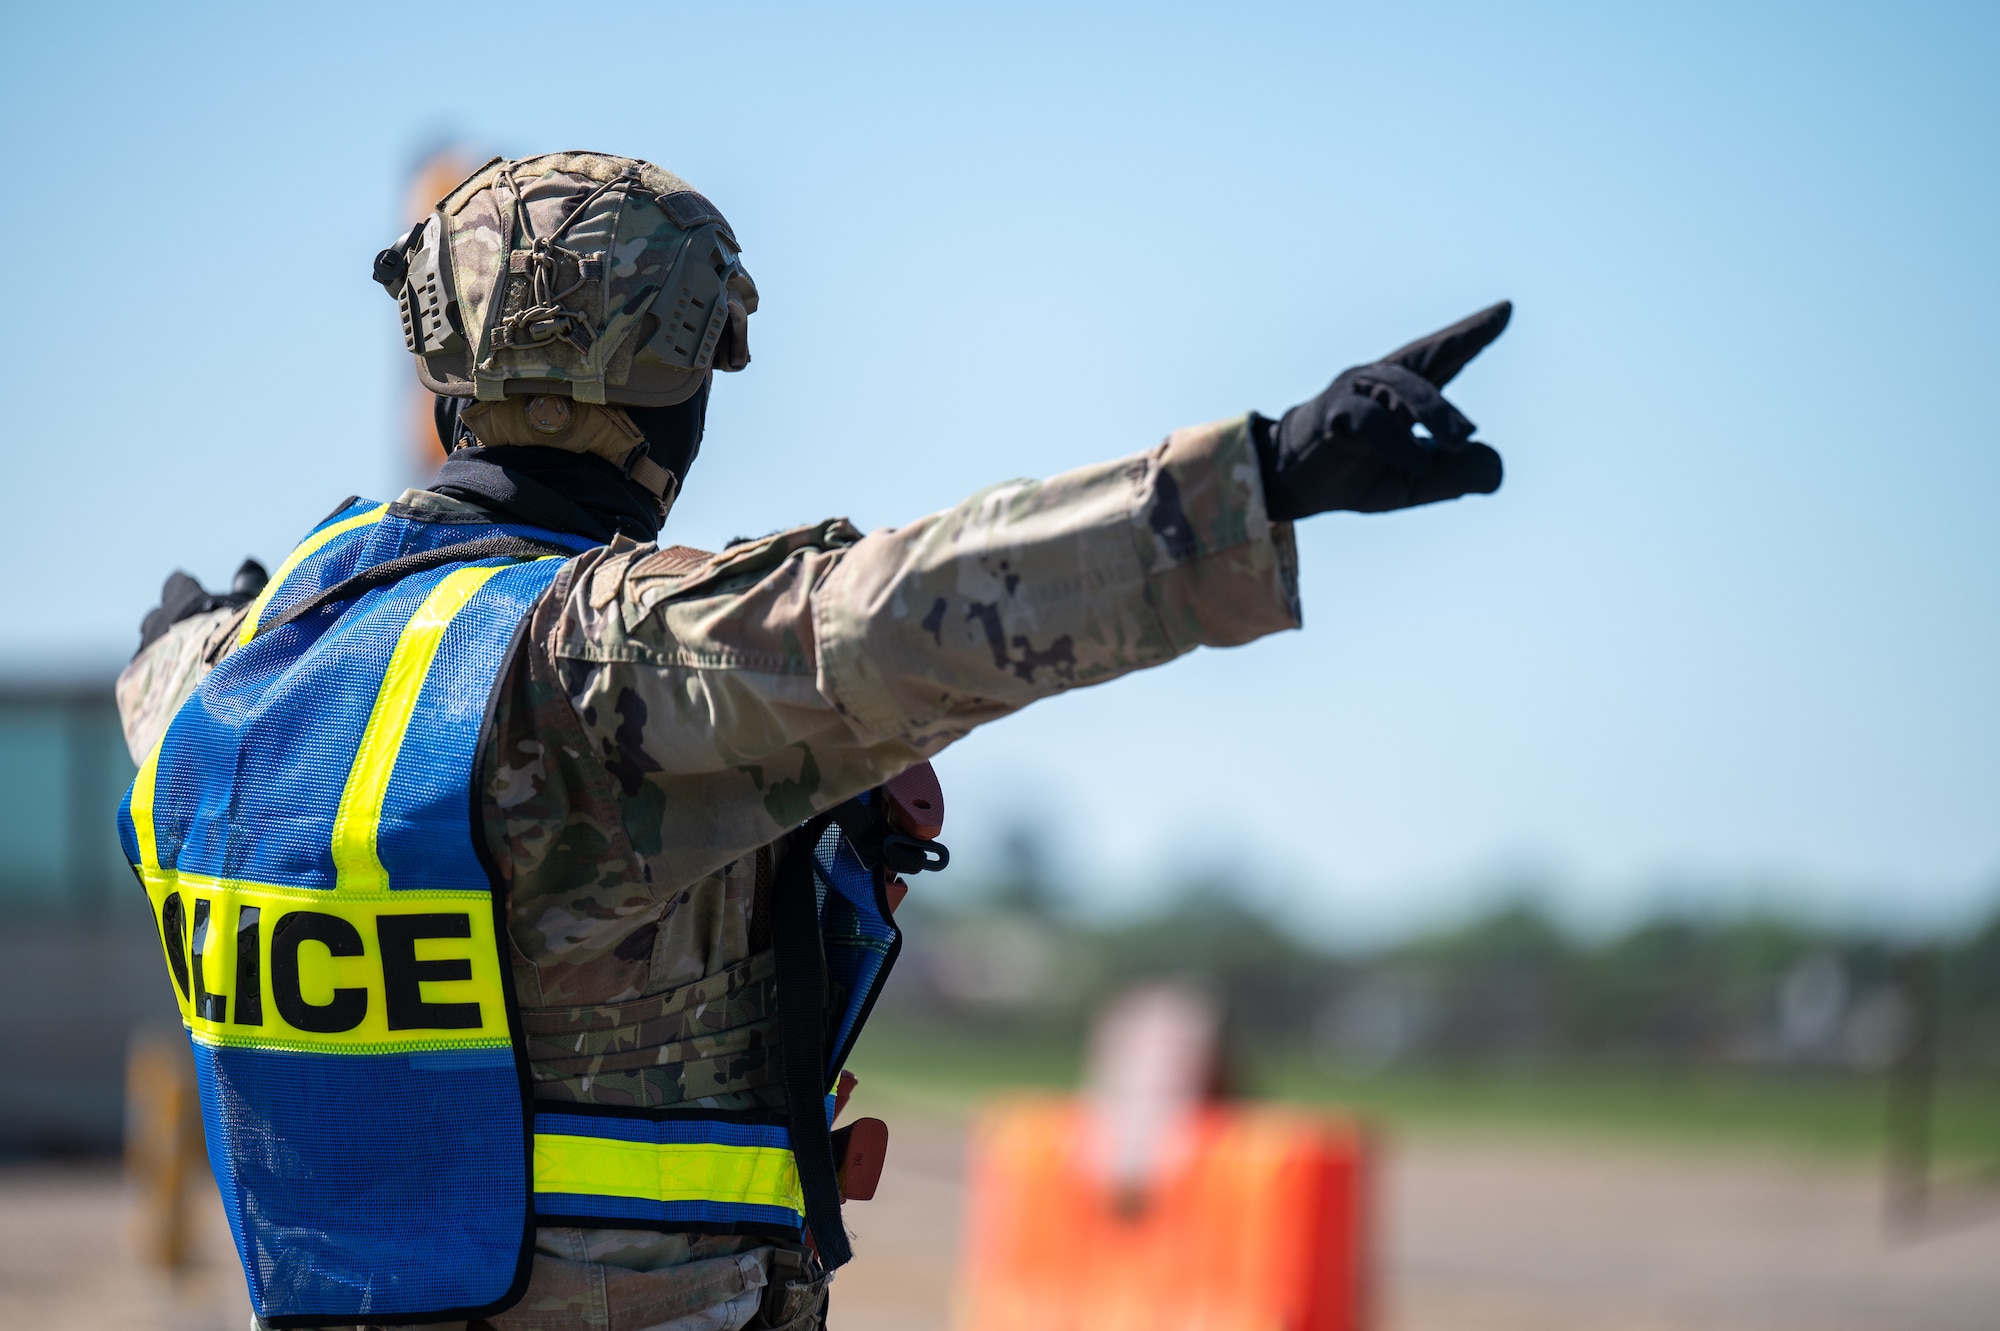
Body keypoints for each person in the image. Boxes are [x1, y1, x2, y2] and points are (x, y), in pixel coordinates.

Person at [115, 151, 1512, 1331]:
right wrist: (1265, 476)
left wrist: (182, 639)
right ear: (682, 381)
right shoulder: (599, 660)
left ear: (440, 365)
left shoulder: (234, 676)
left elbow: (159, 685)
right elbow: (905, 619)